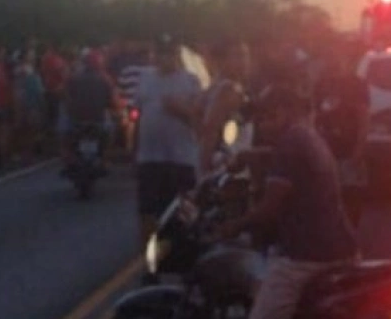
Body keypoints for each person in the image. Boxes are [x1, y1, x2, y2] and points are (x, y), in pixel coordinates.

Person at [217, 85, 359, 319]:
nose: (263, 125)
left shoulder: (289, 145)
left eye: (268, 117)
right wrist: (247, 155)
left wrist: (234, 226)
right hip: (340, 248)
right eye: (260, 119)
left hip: (305, 256)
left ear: (284, 112)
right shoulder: (306, 136)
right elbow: (282, 158)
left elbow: (269, 209)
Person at [134, 35, 201, 250]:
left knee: (183, 211)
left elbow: (200, 119)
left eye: (170, 53)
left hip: (181, 158)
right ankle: (149, 259)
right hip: (149, 158)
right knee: (147, 212)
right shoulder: (145, 78)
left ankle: (185, 254)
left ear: (177, 55)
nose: (165, 58)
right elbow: (138, 113)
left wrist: (180, 110)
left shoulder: (191, 81)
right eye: (161, 53)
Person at [314, 52, 370, 227]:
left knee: (350, 196)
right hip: (325, 150)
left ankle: (349, 232)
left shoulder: (356, 85)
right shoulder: (322, 84)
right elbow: (315, 115)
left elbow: (363, 118)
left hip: (348, 149)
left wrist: (359, 150)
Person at [198, 40, 251, 176]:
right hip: (226, 166)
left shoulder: (214, 88)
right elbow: (210, 130)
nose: (244, 61)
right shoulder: (228, 90)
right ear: (222, 61)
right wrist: (204, 168)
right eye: (238, 56)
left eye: (245, 55)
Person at [63, 50, 117, 171]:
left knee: (65, 132)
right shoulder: (105, 80)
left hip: (76, 119)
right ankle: (104, 158)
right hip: (98, 119)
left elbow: (66, 97)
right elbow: (113, 102)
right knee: (111, 130)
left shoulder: (74, 78)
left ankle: (69, 156)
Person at [13, 48, 45, 163]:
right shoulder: (23, 71)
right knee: (28, 129)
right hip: (28, 103)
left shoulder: (27, 71)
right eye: (30, 55)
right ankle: (26, 155)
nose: (32, 57)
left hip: (27, 102)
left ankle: (26, 154)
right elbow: (22, 89)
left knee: (28, 129)